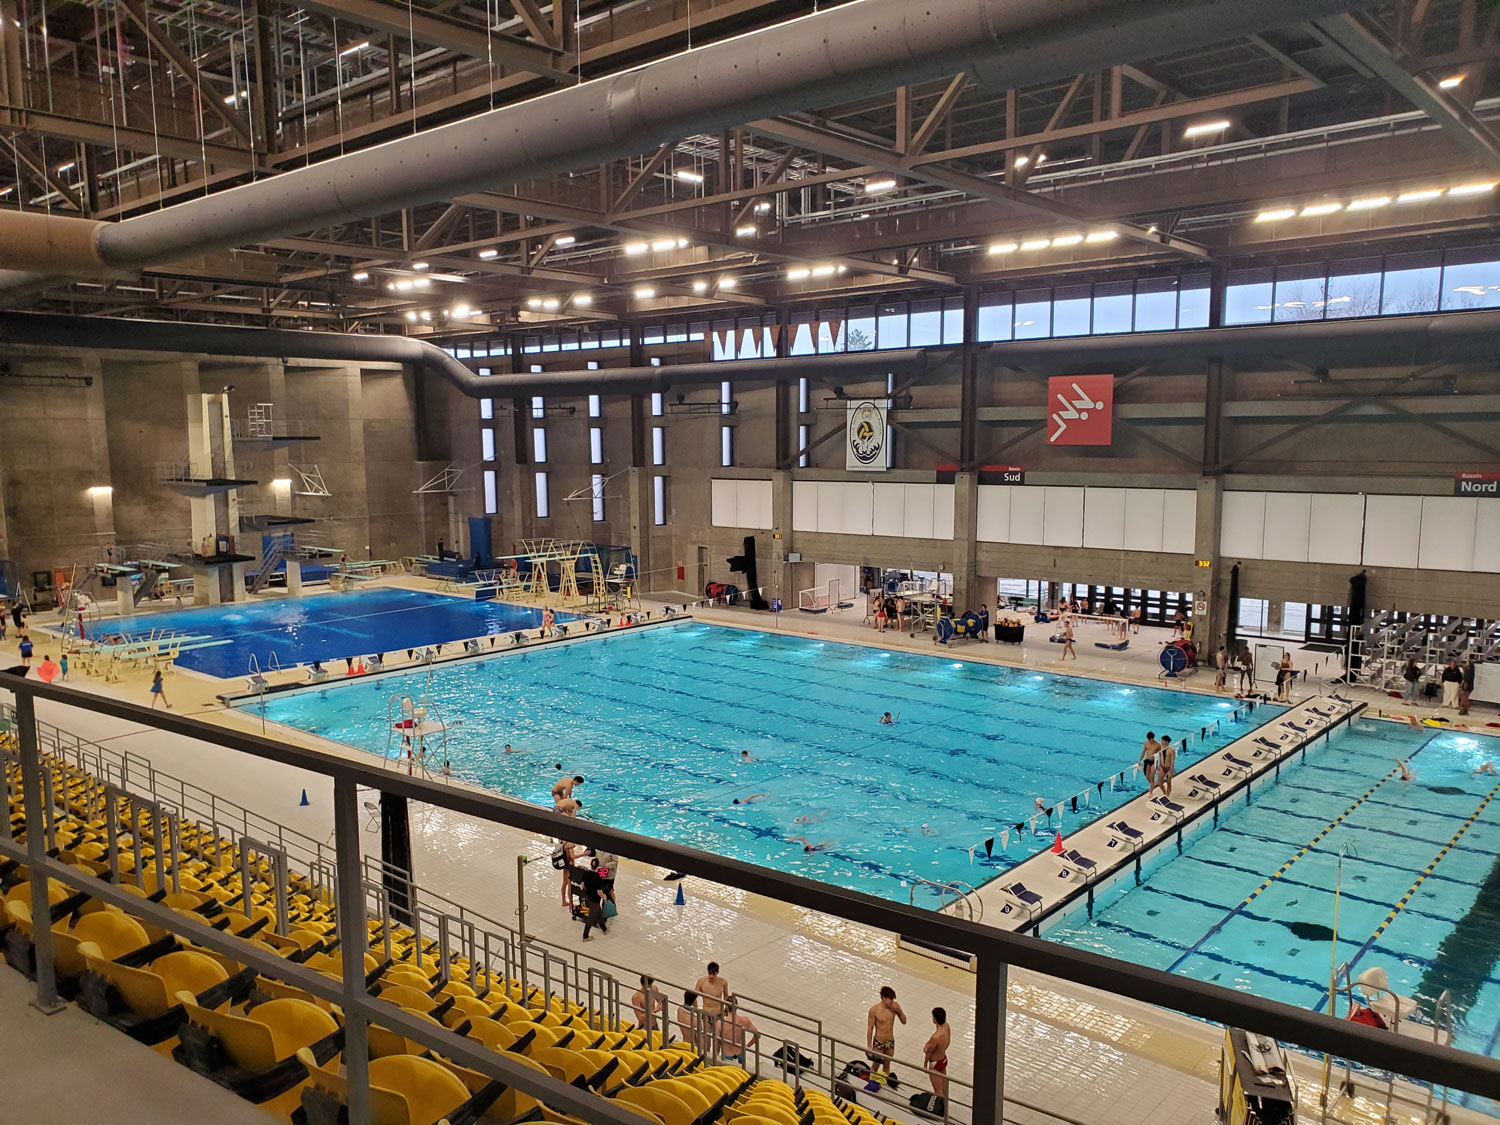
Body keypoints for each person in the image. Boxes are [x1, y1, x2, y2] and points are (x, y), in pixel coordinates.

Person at [866, 986, 906, 1079]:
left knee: (887, 1065)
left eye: (893, 999)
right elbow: (870, 1029)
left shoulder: (894, 1008)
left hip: (890, 1042)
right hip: (878, 1043)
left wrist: (900, 1011)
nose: (892, 1001)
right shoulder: (874, 1010)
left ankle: (885, 1083)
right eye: (890, 999)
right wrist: (869, 1046)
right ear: (883, 997)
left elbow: (904, 1021)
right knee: (875, 1066)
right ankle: (870, 1083)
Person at [923, 1007, 951, 1104]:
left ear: (935, 1018)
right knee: (944, 1088)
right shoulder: (946, 1026)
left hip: (934, 1064)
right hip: (943, 1059)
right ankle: (946, 1106)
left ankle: (940, 1108)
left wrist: (925, 1065)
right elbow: (946, 1042)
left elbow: (928, 1052)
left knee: (938, 1090)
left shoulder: (935, 1037)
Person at [578, 860, 609, 941]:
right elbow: (599, 892)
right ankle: (585, 936)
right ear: (597, 866)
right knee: (591, 917)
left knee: (599, 912)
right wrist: (604, 897)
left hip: (588, 896)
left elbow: (582, 885)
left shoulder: (586, 873)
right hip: (595, 900)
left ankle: (604, 929)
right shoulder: (598, 877)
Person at [556, 840, 577, 905]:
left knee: (565, 882)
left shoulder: (563, 842)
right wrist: (584, 854)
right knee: (569, 885)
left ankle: (563, 901)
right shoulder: (569, 844)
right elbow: (572, 857)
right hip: (570, 865)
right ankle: (571, 904)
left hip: (565, 864)